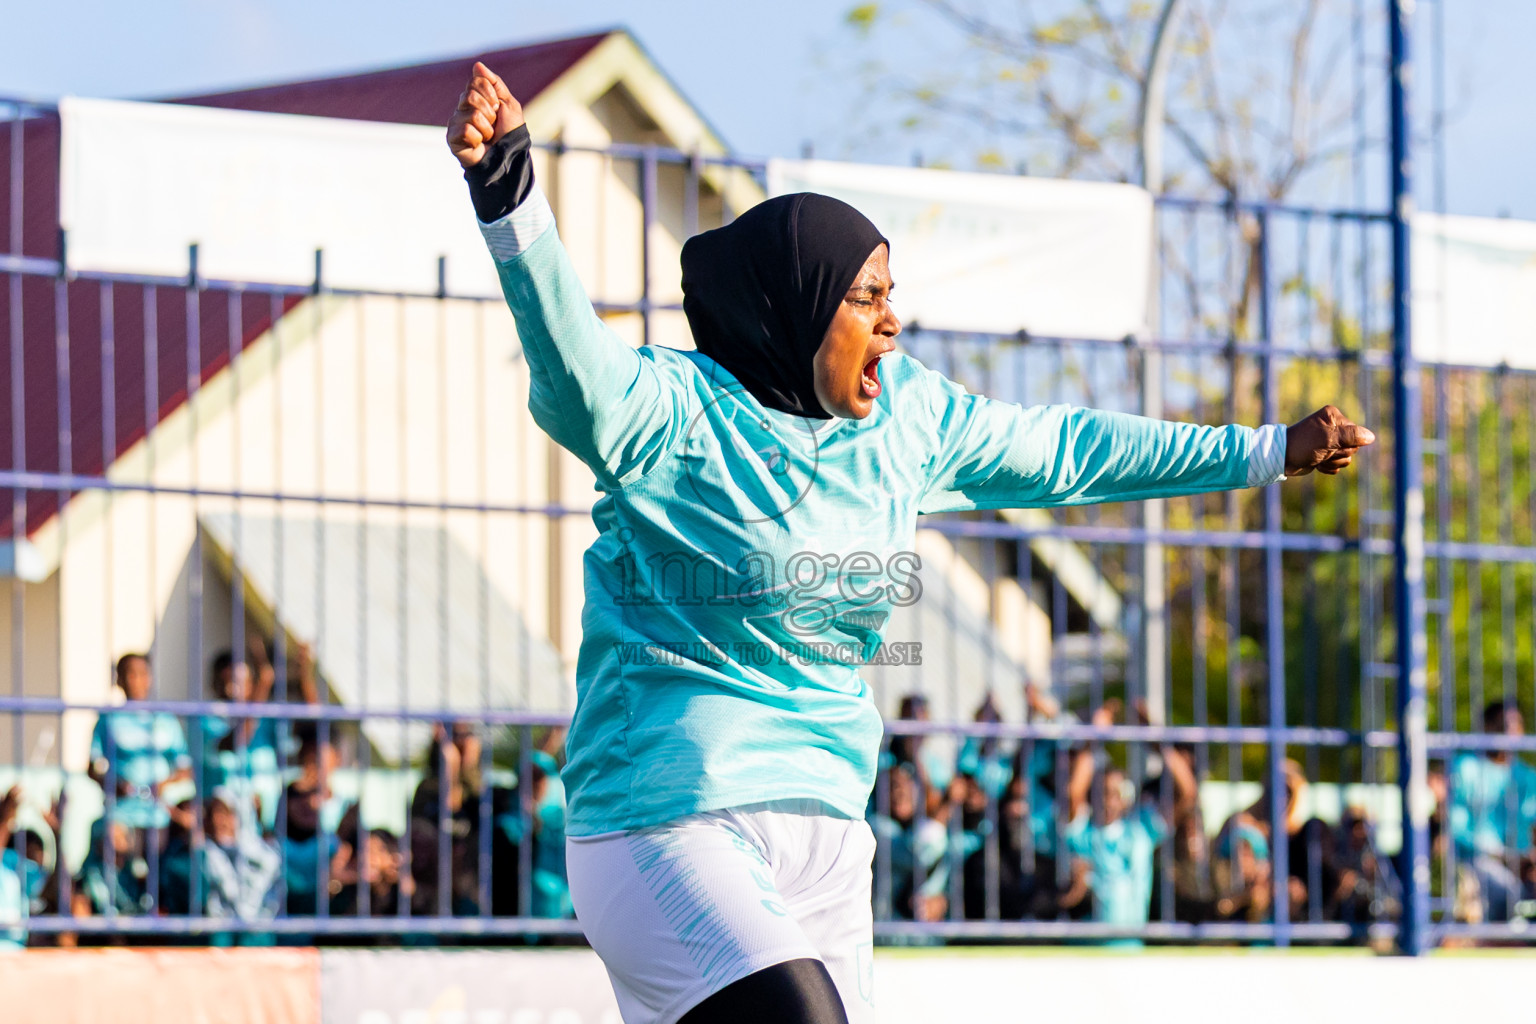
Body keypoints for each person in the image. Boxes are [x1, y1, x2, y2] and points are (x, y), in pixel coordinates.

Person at [447, 61, 1374, 1024]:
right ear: (797, 304)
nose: (893, 321)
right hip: (668, 818)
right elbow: (571, 359)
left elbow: (1070, 449)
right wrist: (509, 191)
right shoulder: (671, 410)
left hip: (828, 829)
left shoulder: (908, 421)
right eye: (866, 297)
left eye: (892, 294)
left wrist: (1264, 451)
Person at [1448, 701, 1536, 922]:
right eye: (1504, 725)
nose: (1511, 732)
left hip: (1521, 865)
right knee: (1506, 891)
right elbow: (1456, 829)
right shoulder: (1465, 768)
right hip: (1476, 861)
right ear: (1487, 727)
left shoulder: (1527, 776)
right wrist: (1500, 855)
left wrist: (1527, 859)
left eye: (1517, 725)